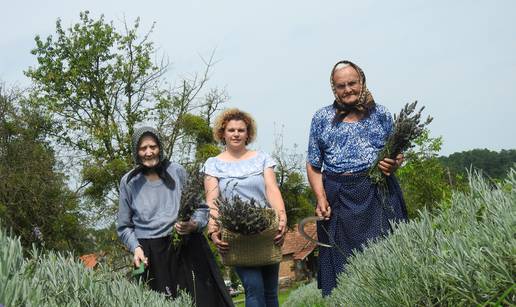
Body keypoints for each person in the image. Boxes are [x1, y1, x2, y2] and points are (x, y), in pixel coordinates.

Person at [306, 60, 408, 296]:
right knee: (343, 268)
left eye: (352, 83)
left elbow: (397, 153)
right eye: (341, 86)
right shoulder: (321, 118)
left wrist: (393, 163)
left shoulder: (381, 114)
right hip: (337, 195)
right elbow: (313, 165)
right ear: (334, 88)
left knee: (390, 258)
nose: (348, 89)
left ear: (362, 82)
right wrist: (320, 198)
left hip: (379, 192)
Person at [117, 126, 233, 306]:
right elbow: (124, 227)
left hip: (186, 247)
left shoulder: (177, 171)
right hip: (152, 255)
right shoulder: (129, 182)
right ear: (136, 151)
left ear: (160, 147)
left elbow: (201, 208)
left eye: (153, 146)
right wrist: (136, 248)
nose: (149, 152)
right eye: (143, 148)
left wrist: (193, 224)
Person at [204, 108, 287, 307]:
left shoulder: (262, 159)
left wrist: (282, 219)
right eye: (231, 130)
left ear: (248, 134)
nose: (236, 134)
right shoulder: (213, 164)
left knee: (270, 292)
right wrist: (213, 230)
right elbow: (212, 201)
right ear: (223, 133)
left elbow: (272, 189)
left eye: (241, 130)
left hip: (266, 232)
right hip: (236, 236)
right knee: (254, 288)